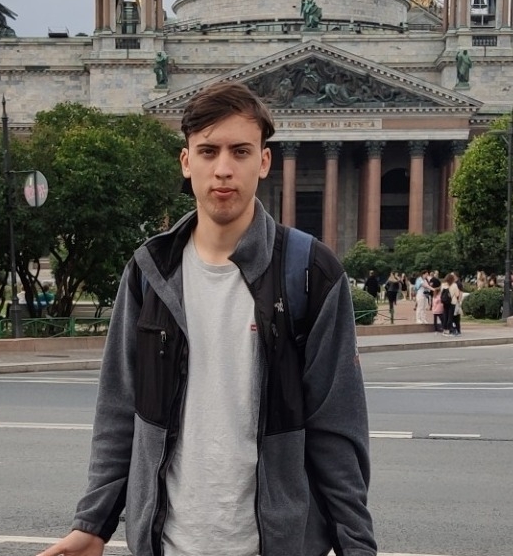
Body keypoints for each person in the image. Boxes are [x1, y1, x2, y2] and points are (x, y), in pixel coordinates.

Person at [37, 81, 376, 556]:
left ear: (264, 161)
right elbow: (119, 410)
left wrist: (357, 546)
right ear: (186, 161)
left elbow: (336, 428)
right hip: (166, 545)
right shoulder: (149, 271)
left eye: (240, 151)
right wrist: (92, 524)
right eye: (208, 151)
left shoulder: (310, 273)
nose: (223, 169)